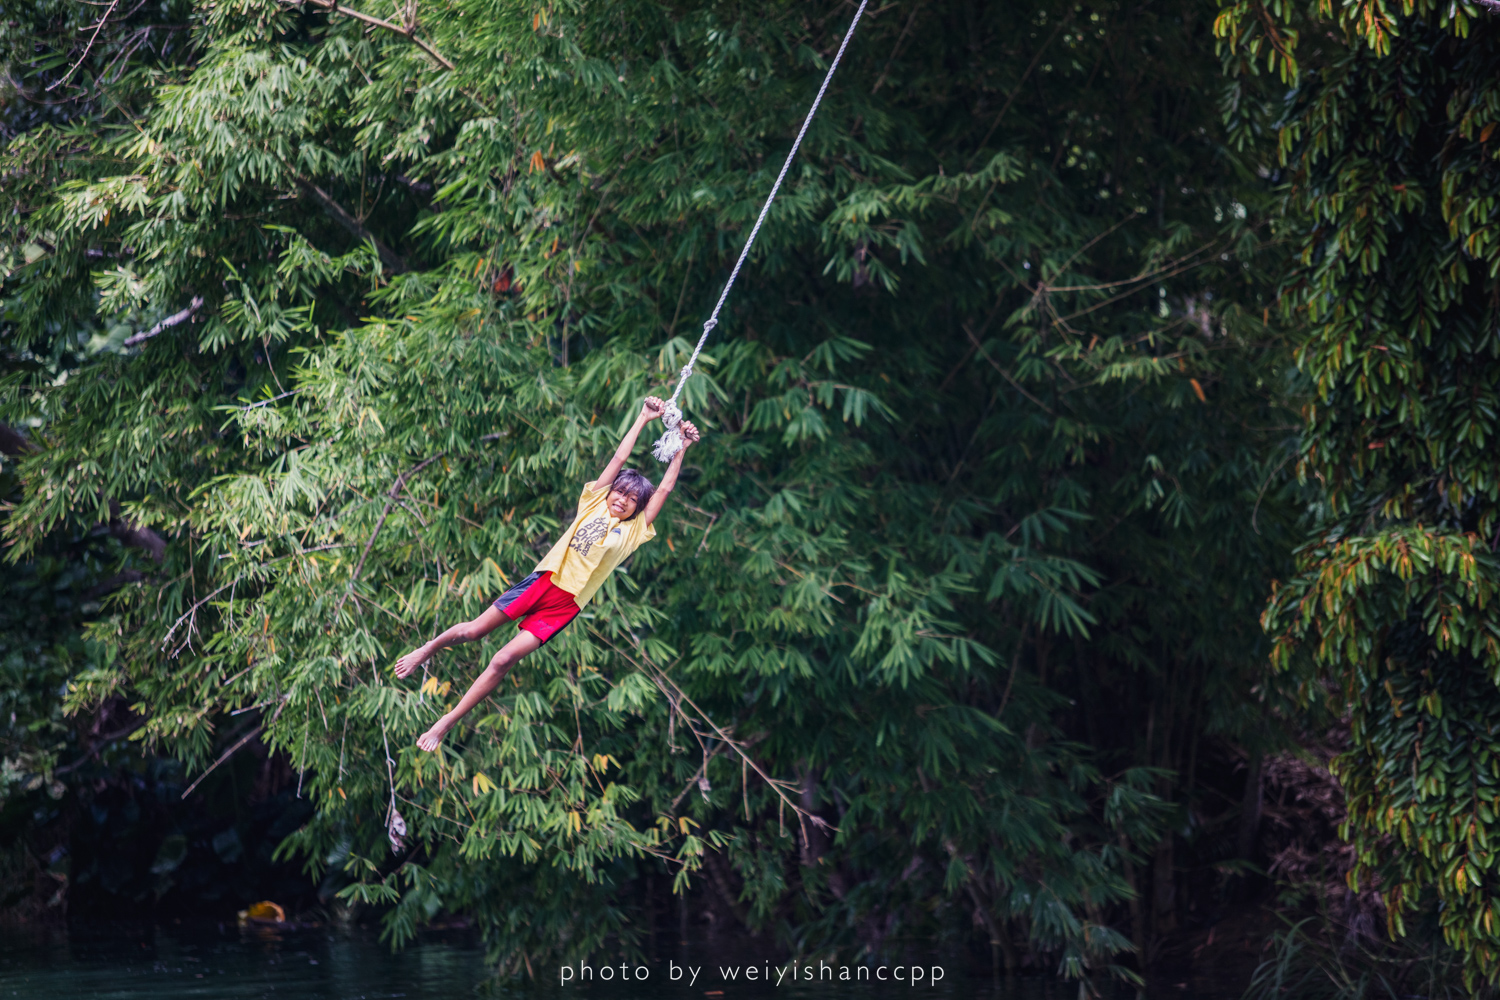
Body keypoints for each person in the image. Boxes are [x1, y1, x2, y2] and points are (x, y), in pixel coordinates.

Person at [393, 396, 700, 751]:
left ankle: (445, 723)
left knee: (503, 659)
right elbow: (618, 459)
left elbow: (664, 489)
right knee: (474, 631)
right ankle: (427, 650)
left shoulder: (635, 532)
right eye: (620, 492)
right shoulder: (594, 502)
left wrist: (682, 448)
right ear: (611, 492)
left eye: (632, 499)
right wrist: (644, 418)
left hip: (565, 605)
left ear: (638, 508)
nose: (623, 499)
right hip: (543, 581)